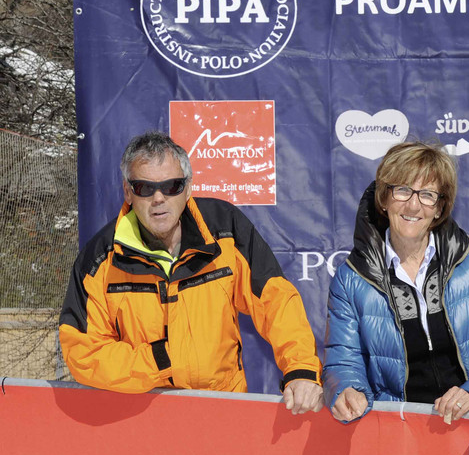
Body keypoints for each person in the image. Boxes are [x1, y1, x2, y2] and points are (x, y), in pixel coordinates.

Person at [59, 132, 323, 414]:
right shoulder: (100, 258)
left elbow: (276, 301)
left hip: (223, 411)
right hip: (139, 415)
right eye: (144, 188)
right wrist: (161, 360)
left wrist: (301, 368)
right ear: (128, 192)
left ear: (187, 189)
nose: (158, 198)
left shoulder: (225, 229)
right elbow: (83, 352)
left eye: (171, 186)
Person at [323, 141, 469, 424]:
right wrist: (348, 389)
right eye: (403, 190)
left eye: (427, 194)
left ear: (439, 208)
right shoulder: (352, 277)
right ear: (384, 199)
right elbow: (343, 359)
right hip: (397, 429)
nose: (413, 205)